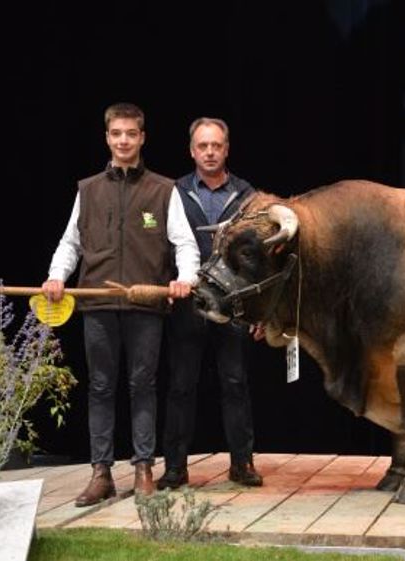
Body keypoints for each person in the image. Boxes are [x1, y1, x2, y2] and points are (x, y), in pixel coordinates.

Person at [43, 102, 200, 506]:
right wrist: (57, 276)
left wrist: (186, 279)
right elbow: (70, 243)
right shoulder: (89, 189)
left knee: (142, 385)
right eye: (117, 134)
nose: (124, 141)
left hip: (145, 305)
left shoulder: (163, 189)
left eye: (131, 133)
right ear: (107, 138)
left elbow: (185, 244)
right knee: (100, 386)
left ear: (142, 138)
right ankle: (101, 473)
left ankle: (144, 467)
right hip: (97, 303)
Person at [155, 117, 263, 490]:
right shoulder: (175, 192)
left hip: (233, 305)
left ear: (227, 149)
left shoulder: (247, 195)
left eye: (216, 145)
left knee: (235, 382)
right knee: (181, 385)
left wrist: (259, 310)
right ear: (192, 151)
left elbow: (258, 257)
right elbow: (163, 247)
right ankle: (175, 468)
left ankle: (242, 463)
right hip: (188, 303)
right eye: (203, 146)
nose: (210, 152)